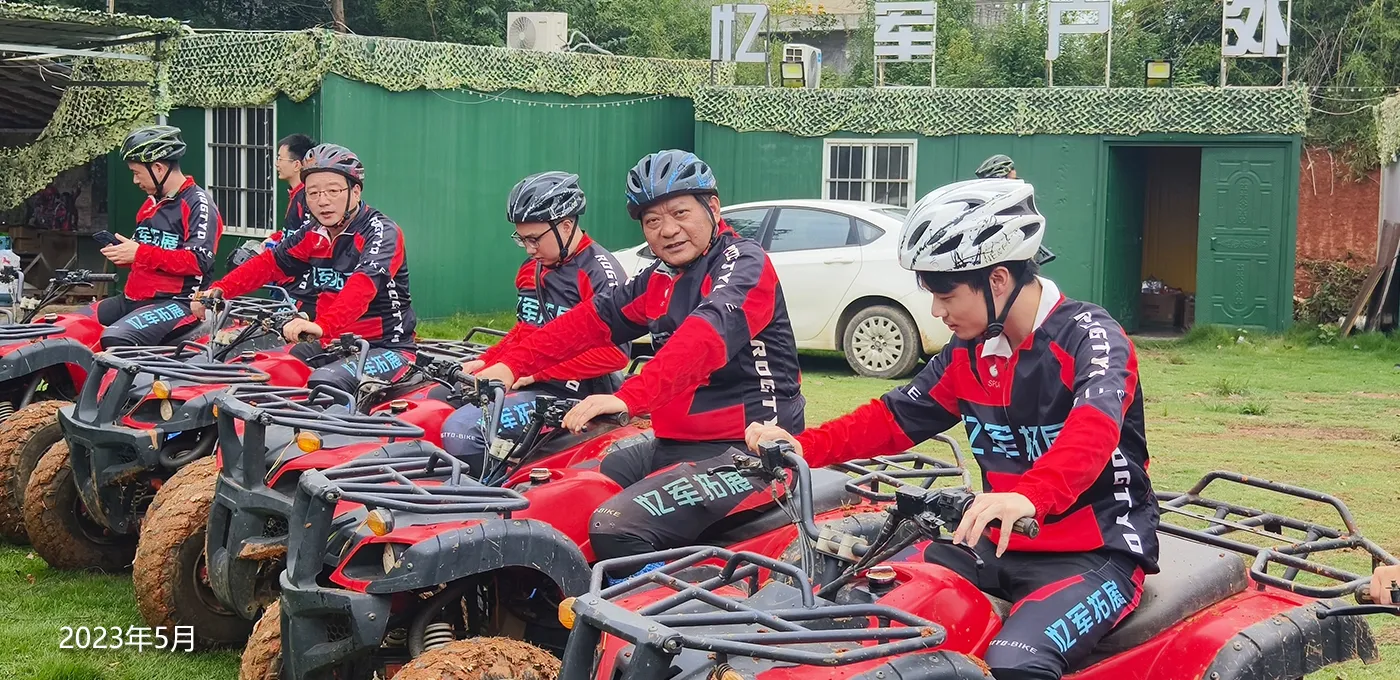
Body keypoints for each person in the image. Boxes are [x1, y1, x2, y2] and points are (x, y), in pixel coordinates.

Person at [747, 178, 1158, 680]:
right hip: (991, 542)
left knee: (1014, 665)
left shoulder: (1091, 338)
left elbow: (1094, 429)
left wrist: (1031, 495)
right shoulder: (969, 351)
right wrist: (802, 446)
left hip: (1094, 555)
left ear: (998, 279)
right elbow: (894, 418)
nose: (936, 311)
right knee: (855, 605)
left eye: (945, 295)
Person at [473, 150, 804, 571]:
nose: (667, 230)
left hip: (751, 451)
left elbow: (705, 338)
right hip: (673, 441)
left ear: (713, 207)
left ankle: (644, 608)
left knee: (616, 528)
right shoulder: (660, 277)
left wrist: (630, 396)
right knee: (552, 494)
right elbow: (590, 321)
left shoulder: (744, 263)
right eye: (652, 220)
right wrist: (514, 364)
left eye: (680, 213)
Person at [191, 143, 417, 396]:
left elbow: (363, 286)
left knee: (325, 385)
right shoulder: (313, 232)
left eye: (333, 191)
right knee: (261, 370)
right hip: (330, 341)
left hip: (385, 346)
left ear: (355, 192)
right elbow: (269, 264)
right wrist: (219, 290)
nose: (323, 201)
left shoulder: (381, 232)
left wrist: (323, 325)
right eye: (313, 193)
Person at [441, 171, 629, 463]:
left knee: (462, 431)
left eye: (534, 239)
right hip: (531, 378)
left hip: (575, 389)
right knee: (438, 400)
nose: (529, 249)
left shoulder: (599, 273)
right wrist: (489, 361)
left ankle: (500, 489)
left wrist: (534, 372)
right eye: (522, 239)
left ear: (566, 226)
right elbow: (526, 330)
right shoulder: (533, 268)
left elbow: (615, 355)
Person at [98, 125, 223, 349]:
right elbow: (150, 257)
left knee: (115, 338)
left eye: (136, 173)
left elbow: (199, 261)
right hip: (133, 299)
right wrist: (125, 254)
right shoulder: (151, 203)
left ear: (158, 168)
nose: (135, 181)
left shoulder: (198, 203)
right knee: (67, 325)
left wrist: (139, 253)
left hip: (178, 303)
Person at [268, 133, 320, 317]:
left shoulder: (307, 196)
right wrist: (275, 238)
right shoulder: (296, 194)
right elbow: (295, 232)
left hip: (302, 288)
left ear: (297, 164)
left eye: (280, 158)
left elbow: (307, 240)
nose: (276, 164)